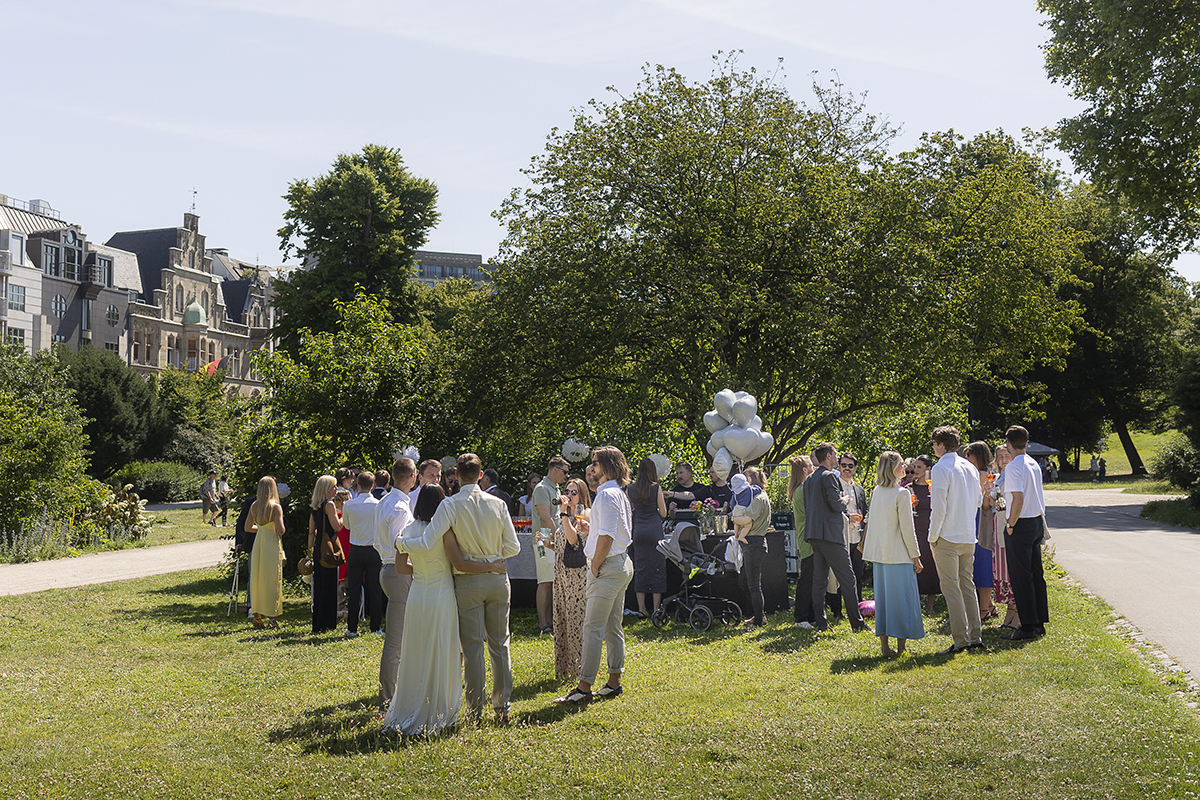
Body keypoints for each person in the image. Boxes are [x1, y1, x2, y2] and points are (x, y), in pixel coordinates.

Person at [397, 453, 521, 723]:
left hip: (467, 581)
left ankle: (475, 711)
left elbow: (429, 540)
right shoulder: (498, 503)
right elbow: (514, 546)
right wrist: (492, 556)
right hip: (497, 578)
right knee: (500, 645)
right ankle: (503, 707)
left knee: (474, 648)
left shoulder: (450, 505)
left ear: (456, 477)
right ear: (480, 475)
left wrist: (401, 544)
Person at [382, 484, 508, 736]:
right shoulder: (444, 531)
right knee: (443, 648)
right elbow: (458, 563)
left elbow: (401, 568)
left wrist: (423, 571)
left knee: (417, 649)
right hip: (441, 595)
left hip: (418, 594)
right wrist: (491, 567)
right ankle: (441, 707)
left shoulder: (407, 530)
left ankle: (412, 701)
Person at [558, 446, 635, 704]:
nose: (591, 467)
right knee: (613, 626)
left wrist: (594, 565)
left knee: (591, 628)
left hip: (607, 566)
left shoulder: (606, 495)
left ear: (608, 466)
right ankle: (614, 682)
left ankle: (583, 688)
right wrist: (591, 529)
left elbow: (608, 536)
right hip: (619, 563)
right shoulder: (617, 493)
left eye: (595, 463)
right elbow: (609, 531)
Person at [861, 452, 925, 656]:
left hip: (880, 555)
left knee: (884, 601)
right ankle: (901, 647)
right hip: (899, 555)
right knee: (901, 600)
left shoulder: (876, 492)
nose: (905, 467)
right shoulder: (902, 493)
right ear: (893, 468)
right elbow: (908, 529)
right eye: (901, 464)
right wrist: (916, 556)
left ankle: (884, 646)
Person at [928, 425, 984, 656]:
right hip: (967, 534)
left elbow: (939, 507)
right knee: (967, 586)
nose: (933, 447)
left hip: (947, 535)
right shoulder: (969, 466)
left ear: (941, 445)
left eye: (933, 443)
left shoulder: (941, 468)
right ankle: (975, 636)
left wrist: (932, 537)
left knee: (951, 588)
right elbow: (979, 500)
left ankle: (961, 640)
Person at [804, 442, 866, 633]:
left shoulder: (809, 479)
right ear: (829, 455)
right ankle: (857, 623)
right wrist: (845, 500)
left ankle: (822, 623)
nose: (838, 457)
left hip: (814, 534)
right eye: (836, 454)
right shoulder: (829, 475)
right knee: (848, 579)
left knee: (819, 580)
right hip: (830, 535)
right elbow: (836, 504)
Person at [374, 457, 417, 710]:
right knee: (395, 640)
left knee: (399, 638)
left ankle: (395, 693)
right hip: (398, 571)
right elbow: (398, 543)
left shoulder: (385, 501)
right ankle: (387, 699)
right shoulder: (400, 506)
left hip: (388, 567)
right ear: (412, 478)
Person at [1002, 425, 1049, 641]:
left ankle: (1027, 626)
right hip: (1036, 521)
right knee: (1035, 574)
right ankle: (1039, 621)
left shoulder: (1013, 467)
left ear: (1008, 444)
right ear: (1026, 443)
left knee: (1021, 577)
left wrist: (1010, 524)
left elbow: (1017, 500)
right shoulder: (1034, 464)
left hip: (1021, 523)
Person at [552, 478, 591, 682]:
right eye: (567, 491)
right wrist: (548, 544)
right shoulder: (565, 515)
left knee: (577, 622)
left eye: (573, 492)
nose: (568, 495)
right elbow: (563, 543)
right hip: (561, 574)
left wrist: (564, 513)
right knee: (563, 619)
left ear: (582, 495)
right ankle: (565, 669)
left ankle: (580, 671)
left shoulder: (584, 516)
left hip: (578, 576)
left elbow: (573, 540)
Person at [341, 472, 383, 638]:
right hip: (374, 550)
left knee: (354, 590)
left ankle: (352, 628)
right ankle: (375, 627)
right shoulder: (378, 504)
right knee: (375, 589)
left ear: (357, 485)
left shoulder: (349, 505)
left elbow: (347, 525)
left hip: (356, 549)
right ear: (372, 486)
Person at [532, 457, 571, 634]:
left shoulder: (553, 487)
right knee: (544, 581)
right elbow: (546, 517)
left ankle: (550, 621)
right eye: (564, 471)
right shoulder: (541, 488)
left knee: (552, 580)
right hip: (542, 538)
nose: (566, 475)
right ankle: (543, 624)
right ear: (555, 469)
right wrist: (559, 537)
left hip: (550, 537)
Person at [730, 467, 772, 629]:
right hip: (750, 544)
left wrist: (734, 517)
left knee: (754, 585)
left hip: (754, 543)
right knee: (744, 581)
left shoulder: (759, 498)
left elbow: (746, 519)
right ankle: (759, 615)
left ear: (749, 479)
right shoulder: (754, 497)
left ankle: (758, 621)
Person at [629, 457, 668, 618]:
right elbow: (663, 513)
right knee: (657, 568)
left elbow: (629, 511)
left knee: (641, 568)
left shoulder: (630, 489)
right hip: (654, 530)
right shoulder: (656, 487)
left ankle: (641, 609)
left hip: (638, 531)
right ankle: (656, 608)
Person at [964, 441, 997, 622]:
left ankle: (983, 608)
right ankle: (989, 605)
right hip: (977, 518)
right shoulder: (984, 473)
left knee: (982, 562)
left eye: (970, 454)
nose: (967, 458)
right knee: (978, 562)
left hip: (980, 519)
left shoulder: (982, 474)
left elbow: (984, 504)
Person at [247, 476, 286, 630]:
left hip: (258, 544)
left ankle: (257, 616)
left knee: (257, 578)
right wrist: (271, 528)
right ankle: (272, 618)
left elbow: (248, 527)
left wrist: (262, 529)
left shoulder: (254, 506)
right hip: (271, 545)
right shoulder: (275, 507)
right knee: (272, 579)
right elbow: (281, 530)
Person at [308, 476, 344, 634]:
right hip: (329, 549)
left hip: (318, 549)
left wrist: (310, 551)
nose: (336, 489)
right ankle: (329, 622)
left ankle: (318, 622)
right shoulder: (329, 505)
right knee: (330, 586)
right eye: (334, 487)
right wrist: (345, 515)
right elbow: (337, 527)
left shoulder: (315, 506)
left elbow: (311, 532)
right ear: (326, 489)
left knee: (319, 586)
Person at [990, 443, 1020, 632]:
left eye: (1006, 456)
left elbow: (1005, 503)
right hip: (999, 523)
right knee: (1002, 568)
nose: (1002, 460)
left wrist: (994, 498)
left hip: (1010, 522)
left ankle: (1017, 611)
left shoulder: (1013, 475)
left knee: (1011, 567)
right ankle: (1010, 609)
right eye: (999, 457)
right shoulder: (1000, 477)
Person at [788, 457, 818, 629]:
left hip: (807, 538)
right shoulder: (802, 490)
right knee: (807, 579)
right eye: (811, 466)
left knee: (812, 578)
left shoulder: (801, 489)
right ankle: (801, 617)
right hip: (808, 540)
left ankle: (811, 615)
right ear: (805, 470)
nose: (814, 468)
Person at [909, 455, 940, 614]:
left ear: (928, 469)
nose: (915, 470)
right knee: (915, 564)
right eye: (915, 467)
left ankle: (930, 604)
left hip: (931, 530)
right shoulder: (909, 488)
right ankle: (914, 602)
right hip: (914, 530)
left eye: (919, 467)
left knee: (931, 565)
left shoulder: (934, 487)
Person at [837, 453, 868, 607]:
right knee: (838, 576)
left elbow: (864, 510)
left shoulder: (859, 489)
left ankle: (859, 606)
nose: (847, 468)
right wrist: (848, 517)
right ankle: (837, 610)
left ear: (855, 468)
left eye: (850, 465)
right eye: (844, 465)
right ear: (839, 466)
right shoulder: (834, 485)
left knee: (858, 574)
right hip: (840, 536)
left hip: (857, 537)